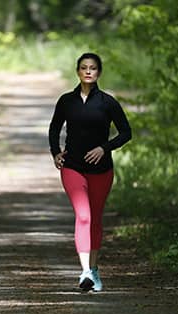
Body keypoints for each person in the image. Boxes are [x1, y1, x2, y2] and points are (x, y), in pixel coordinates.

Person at [48, 53, 132, 292]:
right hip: (73, 167)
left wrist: (104, 148)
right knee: (83, 216)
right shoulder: (66, 101)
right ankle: (84, 271)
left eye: (93, 68)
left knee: (95, 218)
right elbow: (54, 128)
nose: (88, 72)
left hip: (101, 171)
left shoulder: (107, 102)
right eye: (84, 68)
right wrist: (55, 152)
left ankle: (94, 270)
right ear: (77, 71)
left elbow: (126, 133)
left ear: (98, 73)